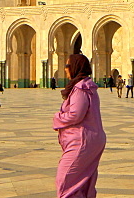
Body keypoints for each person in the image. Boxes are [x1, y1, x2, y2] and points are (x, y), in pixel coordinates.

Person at [53, 53, 106, 198]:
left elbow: (76, 115)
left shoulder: (80, 89)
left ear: (75, 67)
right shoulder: (88, 87)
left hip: (82, 141)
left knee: (66, 181)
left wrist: (57, 118)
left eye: (67, 66)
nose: (65, 69)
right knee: (83, 181)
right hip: (91, 140)